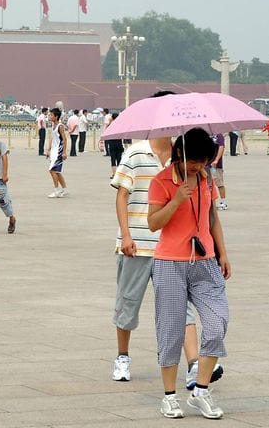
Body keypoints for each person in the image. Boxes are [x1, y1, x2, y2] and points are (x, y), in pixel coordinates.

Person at [109, 110, 222, 390]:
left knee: (181, 310)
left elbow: (209, 213)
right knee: (128, 303)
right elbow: (121, 195)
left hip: (175, 251)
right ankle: (122, 356)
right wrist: (125, 235)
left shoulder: (184, 158)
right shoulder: (135, 153)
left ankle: (194, 363)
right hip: (138, 242)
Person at [148, 128, 232, 419]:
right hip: (170, 262)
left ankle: (201, 390)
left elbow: (212, 219)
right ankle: (169, 395)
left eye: (204, 161)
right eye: (194, 161)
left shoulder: (206, 180)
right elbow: (153, 223)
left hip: (205, 260)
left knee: (217, 321)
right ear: (180, 154)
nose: (198, 167)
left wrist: (223, 252)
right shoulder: (161, 182)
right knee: (170, 329)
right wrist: (176, 200)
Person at [45, 107, 69, 198]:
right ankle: (65, 189)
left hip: (58, 151)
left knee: (52, 170)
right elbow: (52, 138)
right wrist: (48, 149)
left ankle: (56, 190)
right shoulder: (53, 126)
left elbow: (64, 139)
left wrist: (64, 152)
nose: (50, 116)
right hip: (54, 151)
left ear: (56, 116)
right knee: (57, 171)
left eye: (51, 115)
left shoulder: (60, 126)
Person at [105, 113, 125, 178]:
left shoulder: (110, 125)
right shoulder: (121, 125)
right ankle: (119, 174)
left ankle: (114, 174)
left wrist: (110, 122)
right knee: (119, 159)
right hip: (119, 143)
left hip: (112, 143)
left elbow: (106, 132)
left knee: (113, 159)